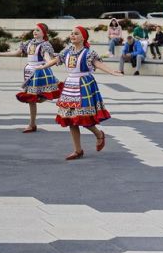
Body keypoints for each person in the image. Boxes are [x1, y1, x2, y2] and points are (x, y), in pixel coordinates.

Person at [35, 26, 122, 160]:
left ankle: (99, 134)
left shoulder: (88, 53)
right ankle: (78, 150)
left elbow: (97, 64)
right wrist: (44, 66)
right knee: (70, 119)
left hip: (84, 85)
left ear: (83, 37)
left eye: (76, 34)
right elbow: (56, 60)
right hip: (70, 85)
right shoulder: (67, 51)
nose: (73, 35)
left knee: (83, 117)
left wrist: (111, 71)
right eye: (72, 33)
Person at [0, 23, 62, 133]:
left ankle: (62, 102)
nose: (35, 32)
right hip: (29, 73)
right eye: (34, 30)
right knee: (31, 99)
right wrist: (0, 54)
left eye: (38, 30)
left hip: (40, 73)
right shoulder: (28, 43)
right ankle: (32, 124)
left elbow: (47, 59)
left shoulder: (45, 45)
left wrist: (54, 60)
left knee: (38, 98)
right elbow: (16, 52)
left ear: (44, 33)